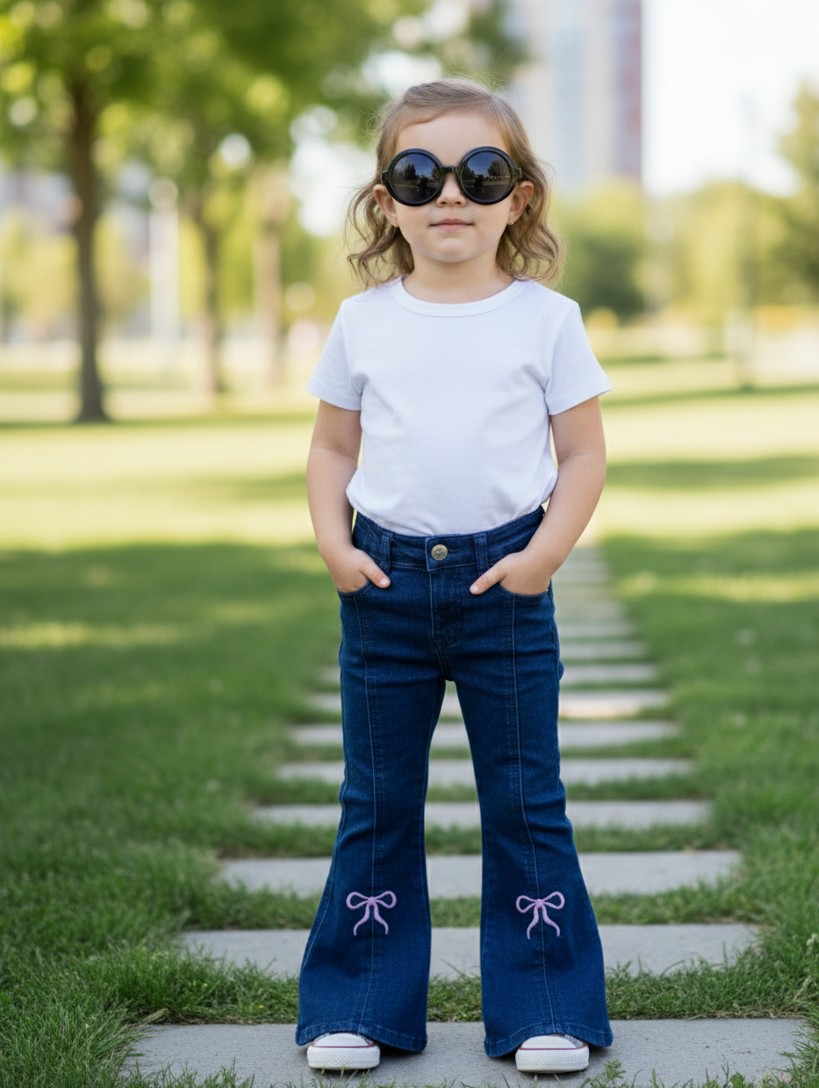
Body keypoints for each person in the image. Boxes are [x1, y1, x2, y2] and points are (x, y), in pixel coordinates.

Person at [296, 77, 613, 1076]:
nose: (450, 195)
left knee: (524, 799)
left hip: (504, 587)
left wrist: (543, 559)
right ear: (384, 199)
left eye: (481, 173)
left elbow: (584, 456)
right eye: (418, 172)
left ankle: (545, 1006)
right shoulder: (363, 322)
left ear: (518, 196)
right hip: (382, 586)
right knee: (377, 800)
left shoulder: (547, 320)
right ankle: (359, 1003)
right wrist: (334, 543)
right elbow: (331, 450)